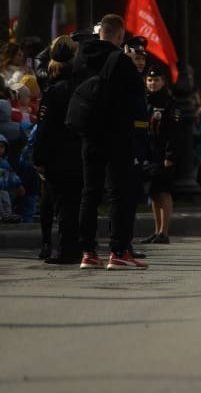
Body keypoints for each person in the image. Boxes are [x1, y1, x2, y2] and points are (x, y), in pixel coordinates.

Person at [73, 15, 149, 270]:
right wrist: (127, 61)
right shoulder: (119, 59)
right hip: (117, 133)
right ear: (119, 35)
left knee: (89, 192)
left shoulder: (82, 55)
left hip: (89, 132)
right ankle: (118, 251)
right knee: (119, 193)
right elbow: (138, 92)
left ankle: (87, 252)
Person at [33, 36, 84, 264]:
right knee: (74, 203)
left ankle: (66, 250)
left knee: (63, 204)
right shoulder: (81, 85)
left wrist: (39, 157)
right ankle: (78, 247)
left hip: (58, 156)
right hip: (79, 152)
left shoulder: (54, 90)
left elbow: (45, 129)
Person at [141, 64, 180, 244]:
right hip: (149, 154)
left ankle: (164, 232)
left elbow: (175, 132)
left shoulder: (170, 103)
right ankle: (156, 231)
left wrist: (170, 155)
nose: (152, 83)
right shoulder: (145, 100)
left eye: (156, 80)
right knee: (154, 193)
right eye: (149, 80)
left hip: (163, 154)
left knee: (163, 192)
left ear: (163, 82)